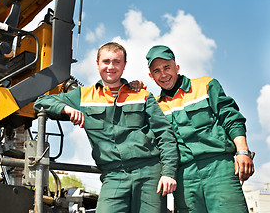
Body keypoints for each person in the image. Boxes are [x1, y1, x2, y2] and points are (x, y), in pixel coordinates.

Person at [34, 42, 178, 213]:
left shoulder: (142, 95)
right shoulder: (84, 96)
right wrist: (66, 108)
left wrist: (168, 172)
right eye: (106, 61)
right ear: (97, 64)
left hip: (149, 173)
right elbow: (41, 102)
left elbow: (165, 135)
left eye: (117, 62)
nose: (111, 66)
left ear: (124, 65)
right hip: (113, 175)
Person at [145, 45, 254, 213]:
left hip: (219, 169)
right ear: (151, 76)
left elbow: (230, 117)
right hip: (184, 178)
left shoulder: (206, 85)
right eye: (156, 71)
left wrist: (242, 151)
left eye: (167, 67)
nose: (163, 74)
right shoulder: (155, 106)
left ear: (177, 67)